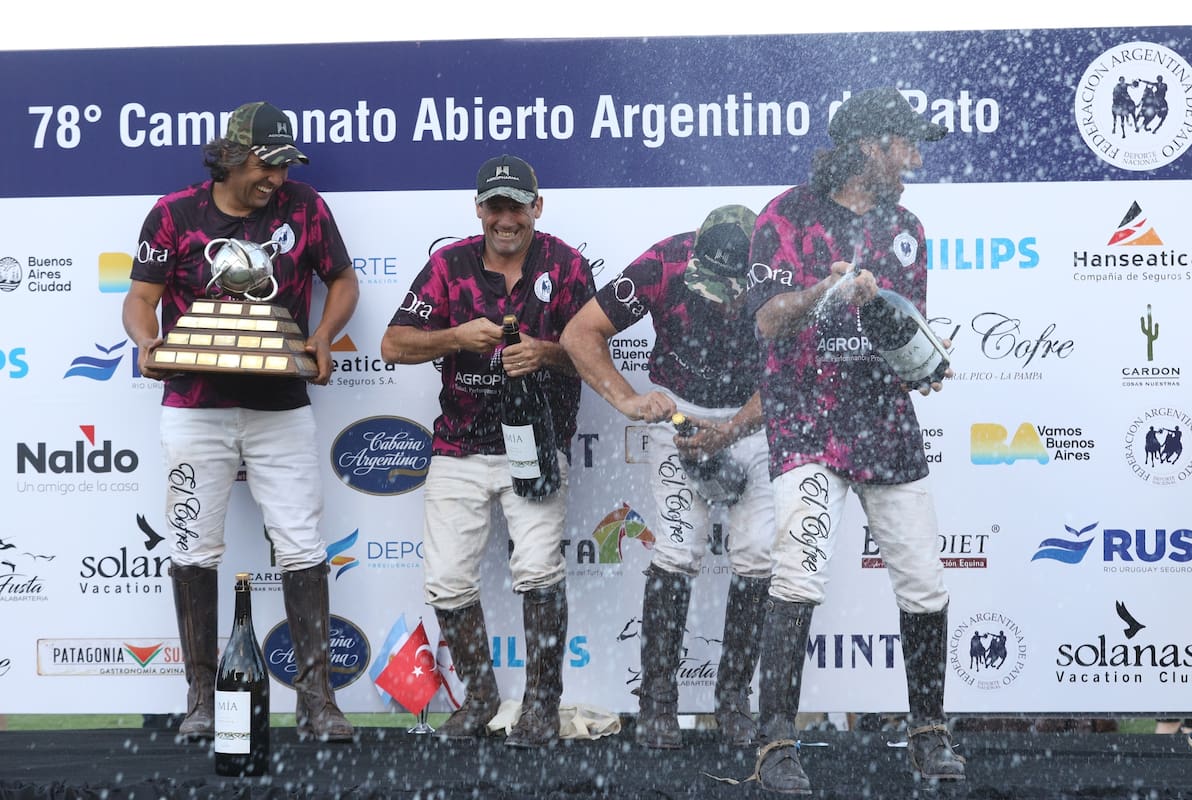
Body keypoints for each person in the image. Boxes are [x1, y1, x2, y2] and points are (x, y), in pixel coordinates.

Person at [742, 86, 964, 793]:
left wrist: (924, 362)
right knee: (798, 574)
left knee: (925, 584)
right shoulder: (787, 215)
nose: (915, 157)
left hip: (886, 425)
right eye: (905, 143)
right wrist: (824, 293)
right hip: (808, 421)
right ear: (870, 146)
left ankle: (929, 734)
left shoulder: (908, 227)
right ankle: (775, 742)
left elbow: (905, 330)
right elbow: (768, 321)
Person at [122, 101, 360, 743]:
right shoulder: (173, 213)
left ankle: (318, 700)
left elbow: (342, 280)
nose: (277, 178)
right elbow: (140, 298)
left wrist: (323, 335)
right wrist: (148, 344)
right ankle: (202, 697)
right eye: (266, 164)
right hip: (195, 408)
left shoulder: (306, 206)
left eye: (285, 166)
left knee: (303, 544)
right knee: (194, 545)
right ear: (229, 155)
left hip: (280, 406)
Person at [380, 154, 595, 748]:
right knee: (447, 579)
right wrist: (455, 337)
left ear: (537, 206)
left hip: (536, 444)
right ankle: (478, 699)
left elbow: (595, 348)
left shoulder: (568, 266)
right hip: (459, 445)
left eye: (516, 206)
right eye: (494, 207)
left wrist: (545, 353)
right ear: (479, 210)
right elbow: (392, 345)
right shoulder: (448, 265)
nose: (506, 219)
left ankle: (540, 707)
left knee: (537, 570)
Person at [560, 205, 774, 749]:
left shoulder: (778, 270)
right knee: (678, 550)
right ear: (694, 252)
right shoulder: (662, 263)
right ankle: (656, 702)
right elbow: (582, 332)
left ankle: (734, 703)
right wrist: (627, 399)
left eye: (729, 290)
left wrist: (728, 431)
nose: (719, 302)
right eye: (708, 285)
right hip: (677, 411)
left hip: (753, 416)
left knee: (755, 557)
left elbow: (789, 375)